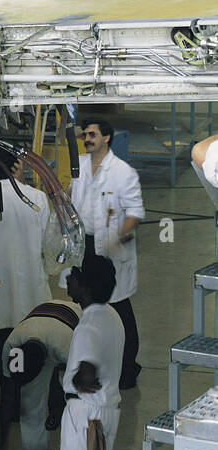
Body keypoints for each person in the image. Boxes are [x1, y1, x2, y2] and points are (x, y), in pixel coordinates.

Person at [0, 151, 51, 417]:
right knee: (34, 348)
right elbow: (48, 245)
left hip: (0, 292)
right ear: (17, 167)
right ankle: (42, 403)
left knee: (3, 350)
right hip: (33, 291)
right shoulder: (37, 198)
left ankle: (10, 402)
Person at [70, 118, 144, 388]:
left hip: (111, 249)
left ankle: (127, 369)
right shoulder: (79, 166)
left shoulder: (123, 172)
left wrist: (120, 236)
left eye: (92, 134)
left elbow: (135, 212)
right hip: (86, 246)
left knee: (119, 308)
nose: (87, 138)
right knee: (89, 308)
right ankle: (95, 361)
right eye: (85, 134)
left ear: (107, 138)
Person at [59, 255, 124, 450]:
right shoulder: (112, 316)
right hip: (104, 412)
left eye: (76, 275)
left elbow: (86, 376)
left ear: (86, 288)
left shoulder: (88, 327)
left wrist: (76, 378)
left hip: (87, 418)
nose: (69, 278)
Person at [0, 299, 81, 450]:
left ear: (43, 366)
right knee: (30, 402)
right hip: (44, 320)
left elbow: (82, 392)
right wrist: (2, 443)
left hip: (74, 317)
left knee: (78, 406)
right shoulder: (12, 346)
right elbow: (7, 395)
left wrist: (59, 404)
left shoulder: (67, 347)